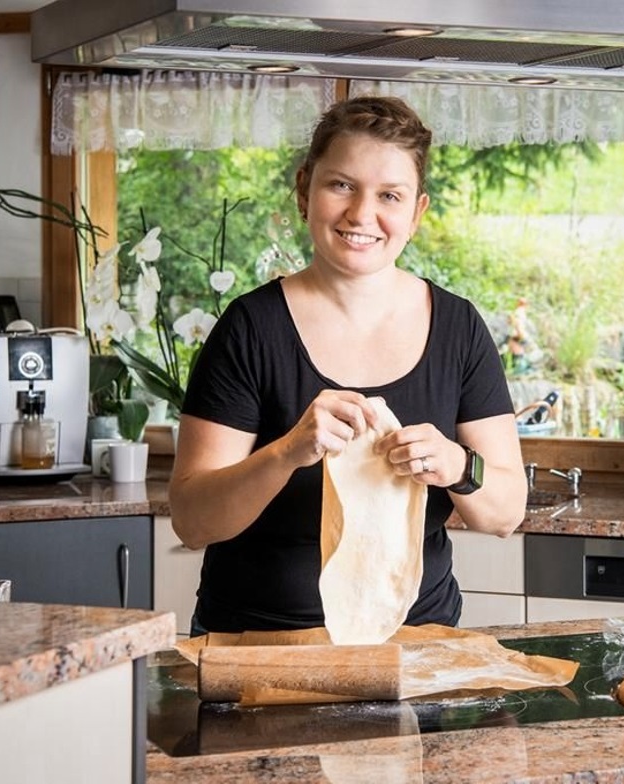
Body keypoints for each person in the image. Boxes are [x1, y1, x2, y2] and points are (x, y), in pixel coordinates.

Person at [168, 95, 527, 635]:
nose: (362, 214)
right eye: (341, 185)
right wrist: (288, 451)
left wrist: (456, 465)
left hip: (416, 646)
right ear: (304, 190)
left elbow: (505, 512)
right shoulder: (249, 329)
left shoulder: (458, 328)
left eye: (389, 195)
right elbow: (193, 520)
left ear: (417, 212)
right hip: (257, 647)